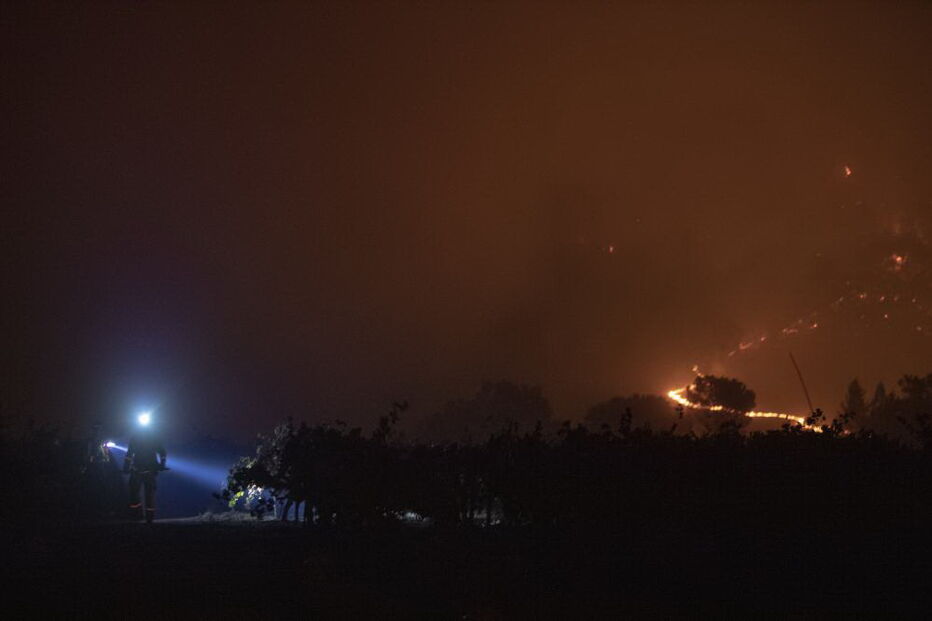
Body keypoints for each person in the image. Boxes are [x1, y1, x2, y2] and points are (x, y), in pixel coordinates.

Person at [123, 421, 167, 523]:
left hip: (142, 470)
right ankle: (144, 518)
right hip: (144, 470)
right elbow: (162, 452)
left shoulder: (140, 438)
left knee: (141, 494)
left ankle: (141, 517)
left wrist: (126, 467)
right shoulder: (150, 438)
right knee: (145, 495)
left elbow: (129, 454)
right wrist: (162, 464)